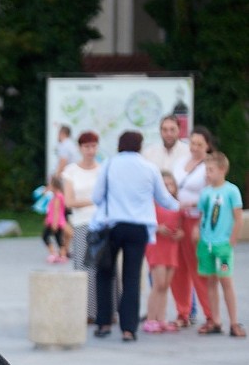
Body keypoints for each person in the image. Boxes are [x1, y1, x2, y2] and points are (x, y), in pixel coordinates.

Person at [91, 130, 179, 342]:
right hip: (138, 228)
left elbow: (96, 197)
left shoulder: (109, 165)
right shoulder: (149, 168)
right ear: (139, 146)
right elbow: (163, 199)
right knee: (131, 278)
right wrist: (181, 206)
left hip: (111, 226)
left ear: (119, 145)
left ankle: (103, 323)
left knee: (105, 274)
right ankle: (128, 329)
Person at [195, 151, 244, 337]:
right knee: (210, 281)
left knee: (226, 280)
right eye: (206, 170)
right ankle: (215, 320)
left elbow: (238, 218)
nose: (207, 173)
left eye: (210, 170)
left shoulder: (231, 190)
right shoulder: (205, 192)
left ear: (222, 169)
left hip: (222, 245)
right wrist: (199, 234)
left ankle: (233, 322)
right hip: (206, 243)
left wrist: (232, 240)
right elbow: (202, 216)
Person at [171, 126, 215, 329]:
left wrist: (196, 207)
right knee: (178, 267)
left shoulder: (209, 166)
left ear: (207, 146)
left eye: (200, 144)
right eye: (193, 143)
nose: (195, 147)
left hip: (196, 219)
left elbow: (213, 194)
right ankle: (183, 311)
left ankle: (210, 314)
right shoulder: (181, 162)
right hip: (177, 217)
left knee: (198, 267)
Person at [62, 130, 102, 321]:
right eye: (87, 146)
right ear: (80, 148)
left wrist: (89, 201)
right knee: (83, 267)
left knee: (102, 268)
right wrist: (93, 200)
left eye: (93, 146)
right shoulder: (71, 171)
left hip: (100, 223)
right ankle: (85, 311)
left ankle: (103, 310)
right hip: (80, 222)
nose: (90, 150)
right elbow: (69, 201)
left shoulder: (102, 169)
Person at [142, 172, 183, 333]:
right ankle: (151, 319)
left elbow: (181, 227)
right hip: (157, 246)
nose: (167, 188)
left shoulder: (177, 205)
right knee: (158, 283)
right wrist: (158, 229)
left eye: (170, 185)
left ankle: (161, 318)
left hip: (171, 247)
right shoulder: (152, 204)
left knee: (165, 285)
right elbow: (146, 224)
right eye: (163, 185)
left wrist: (179, 234)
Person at [42, 176, 68, 262]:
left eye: (50, 185)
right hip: (54, 221)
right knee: (58, 237)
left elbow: (56, 211)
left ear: (54, 186)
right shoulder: (56, 196)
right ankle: (62, 255)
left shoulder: (57, 196)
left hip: (55, 222)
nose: (49, 187)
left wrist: (55, 223)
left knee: (45, 236)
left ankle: (54, 254)